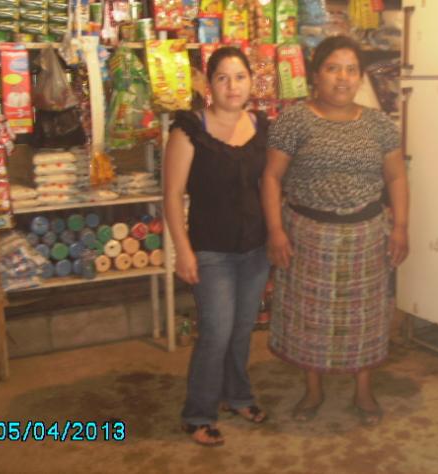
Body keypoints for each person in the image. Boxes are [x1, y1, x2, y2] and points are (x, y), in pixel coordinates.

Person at [261, 35, 409, 426]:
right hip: (308, 237)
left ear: (360, 77)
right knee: (309, 318)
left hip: (365, 237)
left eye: (351, 70)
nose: (342, 78)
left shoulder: (379, 124)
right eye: (332, 68)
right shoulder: (295, 120)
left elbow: (396, 177)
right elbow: (271, 177)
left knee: (365, 318)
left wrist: (401, 227)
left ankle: (364, 391)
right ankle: (313, 390)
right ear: (315, 75)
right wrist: (275, 231)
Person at [164, 46, 271, 446]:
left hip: (255, 248)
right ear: (209, 85)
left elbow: (270, 185)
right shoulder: (189, 130)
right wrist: (182, 250)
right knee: (216, 331)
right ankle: (198, 413)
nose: (232, 86)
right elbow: (172, 195)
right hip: (211, 250)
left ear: (251, 82)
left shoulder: (261, 127)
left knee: (242, 329)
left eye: (240, 77)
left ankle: (237, 396)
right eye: (222, 78)